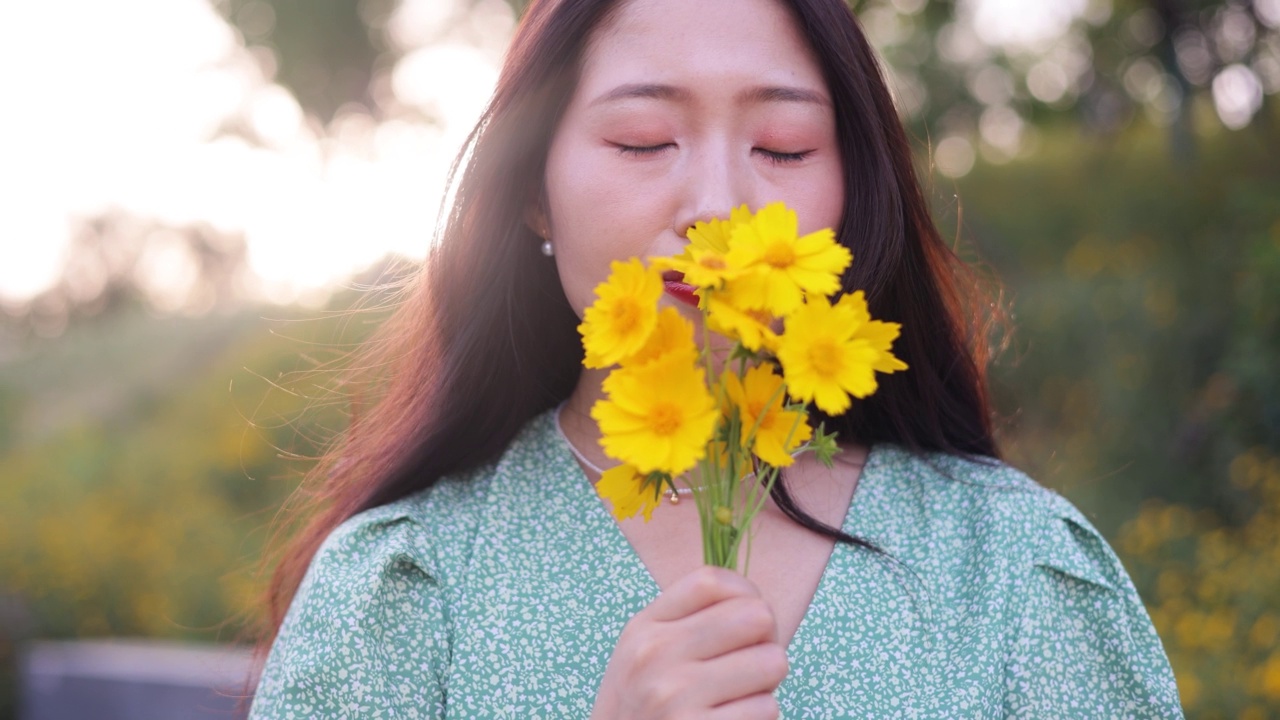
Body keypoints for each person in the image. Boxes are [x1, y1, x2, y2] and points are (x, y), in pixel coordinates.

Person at [248, 0, 1184, 717]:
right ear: (532, 192)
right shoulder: (400, 591)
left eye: (781, 148)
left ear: (852, 190)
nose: (717, 205)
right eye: (644, 140)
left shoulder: (1017, 572)